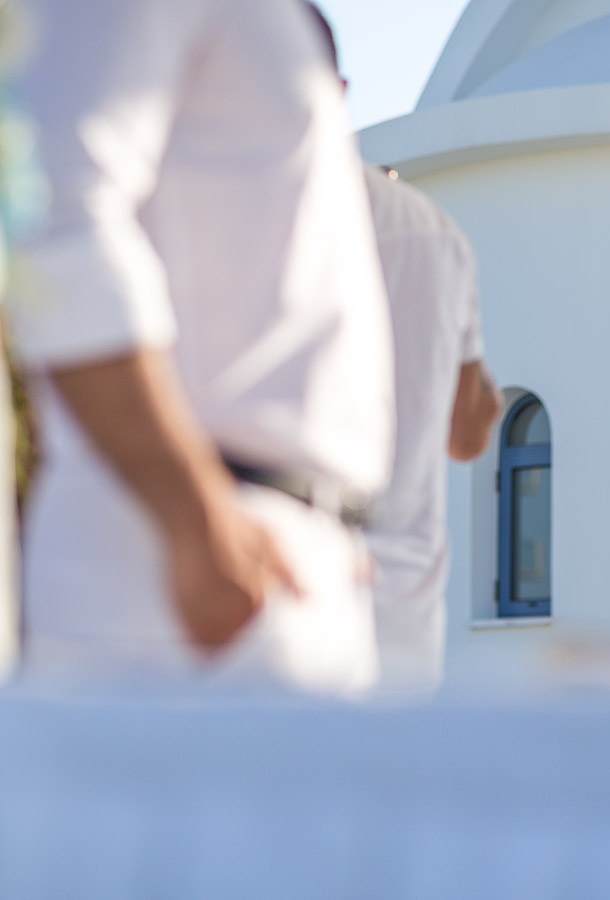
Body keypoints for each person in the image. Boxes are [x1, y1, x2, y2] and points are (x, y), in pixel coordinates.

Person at [8, 0, 393, 695]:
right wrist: (193, 513)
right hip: (183, 567)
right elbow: (53, 215)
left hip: (270, 562)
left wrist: (331, 523)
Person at [303, 4, 502, 694]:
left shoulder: (231, 210)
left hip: (276, 581)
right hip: (402, 598)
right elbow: (470, 431)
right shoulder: (433, 233)